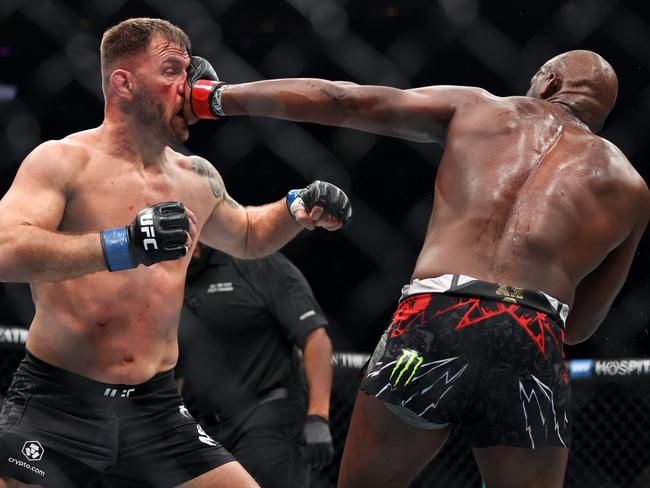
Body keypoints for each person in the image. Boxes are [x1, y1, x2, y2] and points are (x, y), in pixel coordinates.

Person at [185, 50, 650, 488]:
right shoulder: (630, 186)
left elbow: (343, 98)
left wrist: (215, 96)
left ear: (549, 81)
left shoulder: (479, 108)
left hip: (437, 316)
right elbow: (581, 327)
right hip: (532, 334)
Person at [0, 18, 350, 488]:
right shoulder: (63, 160)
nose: (189, 87)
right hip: (59, 400)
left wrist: (295, 206)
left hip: (155, 407)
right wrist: (122, 244)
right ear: (123, 82)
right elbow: (5, 249)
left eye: (190, 72)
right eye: (171, 70)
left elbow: (247, 234)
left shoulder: (196, 177)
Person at [176, 243, 334, 488]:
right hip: (205, 431)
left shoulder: (254, 262)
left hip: (268, 417)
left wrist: (318, 416)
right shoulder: (168, 284)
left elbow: (315, 337)